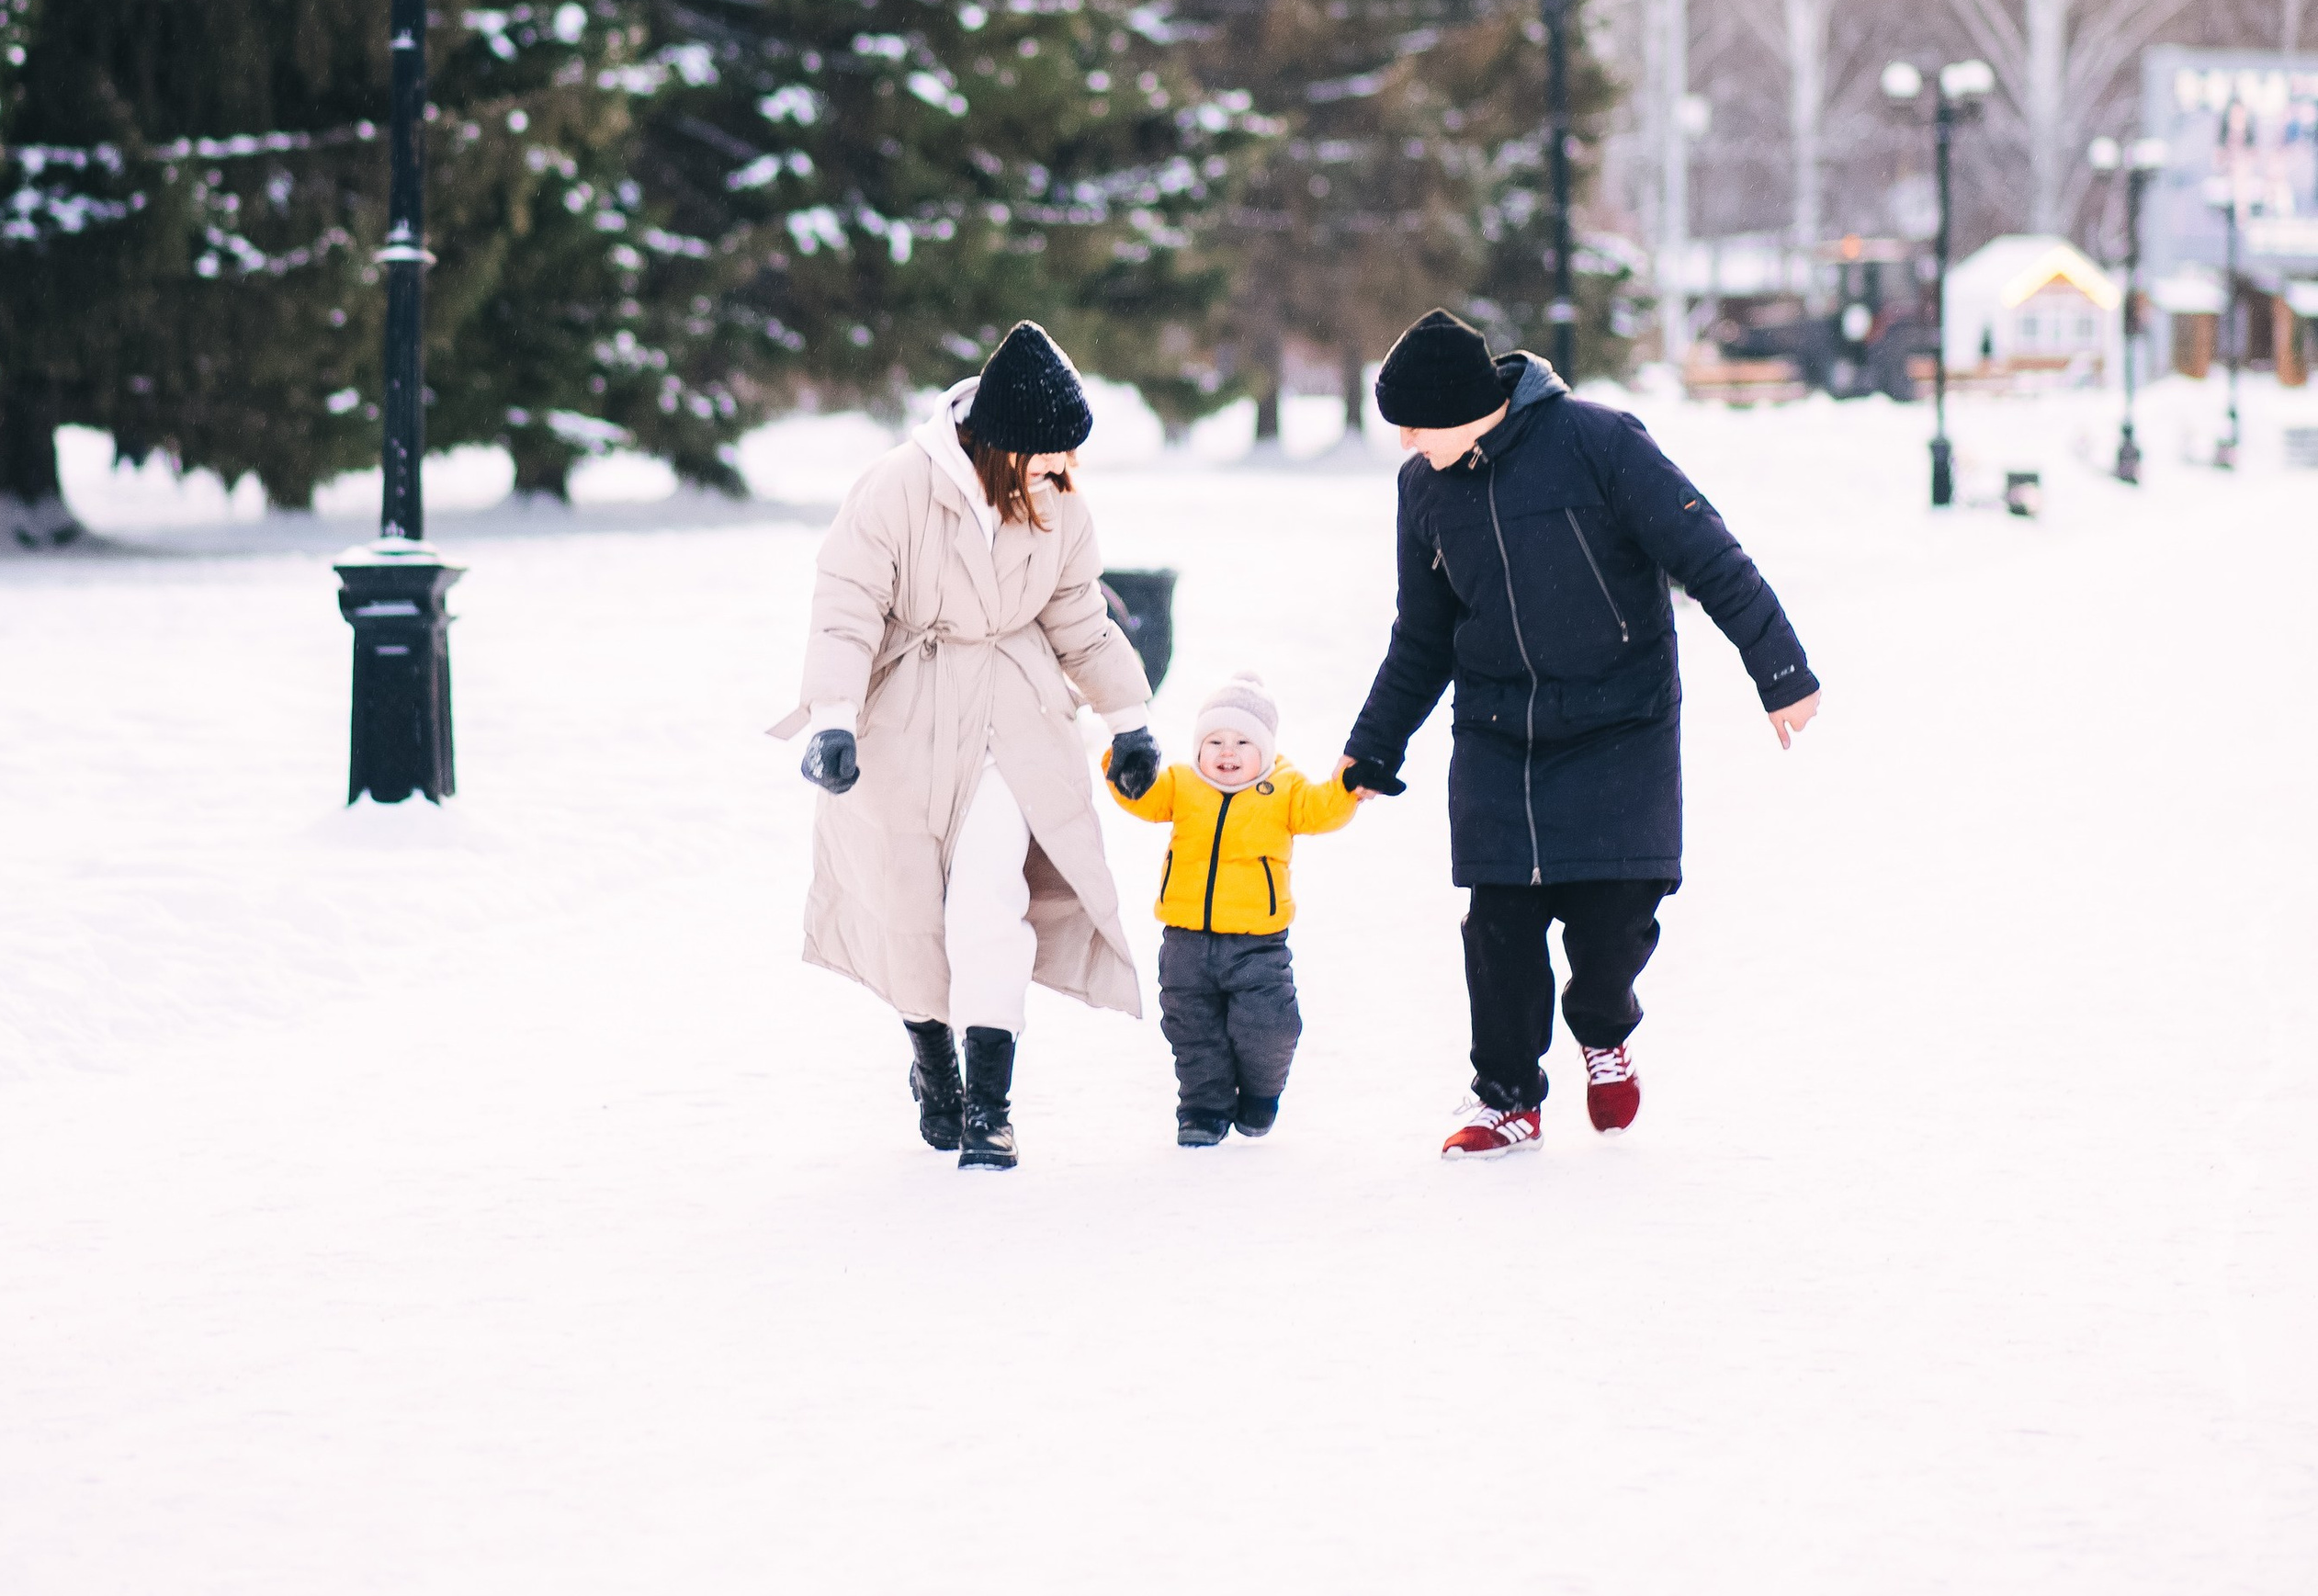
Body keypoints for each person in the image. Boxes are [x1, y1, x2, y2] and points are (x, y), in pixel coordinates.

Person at [1341, 310, 1820, 1160]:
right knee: (1498, 926)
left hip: (1619, 722)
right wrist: (1374, 744)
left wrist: (1780, 671)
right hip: (1500, 731)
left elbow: (1708, 555)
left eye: (1413, 424)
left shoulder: (1598, 443)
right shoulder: (1425, 488)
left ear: (1461, 408)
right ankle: (1507, 1098)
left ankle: (1604, 1027)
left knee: (1611, 928)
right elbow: (1422, 636)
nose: (1407, 442)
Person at [775, 322, 1160, 1171]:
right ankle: (933, 1064)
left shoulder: (1060, 502)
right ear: (999, 445)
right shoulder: (895, 489)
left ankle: (991, 1105)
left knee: (989, 903)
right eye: (1047, 456)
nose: (1062, 473)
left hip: (1012, 719)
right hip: (905, 718)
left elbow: (1081, 620)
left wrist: (1129, 722)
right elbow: (846, 603)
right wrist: (833, 714)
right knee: (910, 908)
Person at [1105, 670, 1361, 1148]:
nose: (1227, 752)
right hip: (1185, 940)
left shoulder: (1285, 789)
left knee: (1270, 1026)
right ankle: (1202, 1109)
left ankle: (1261, 1096)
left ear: (1265, 749)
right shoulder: (1182, 783)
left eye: (1242, 741)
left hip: (1257, 944)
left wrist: (1347, 787)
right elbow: (1141, 797)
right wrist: (1125, 767)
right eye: (1215, 740)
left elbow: (1322, 808)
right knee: (1191, 1030)